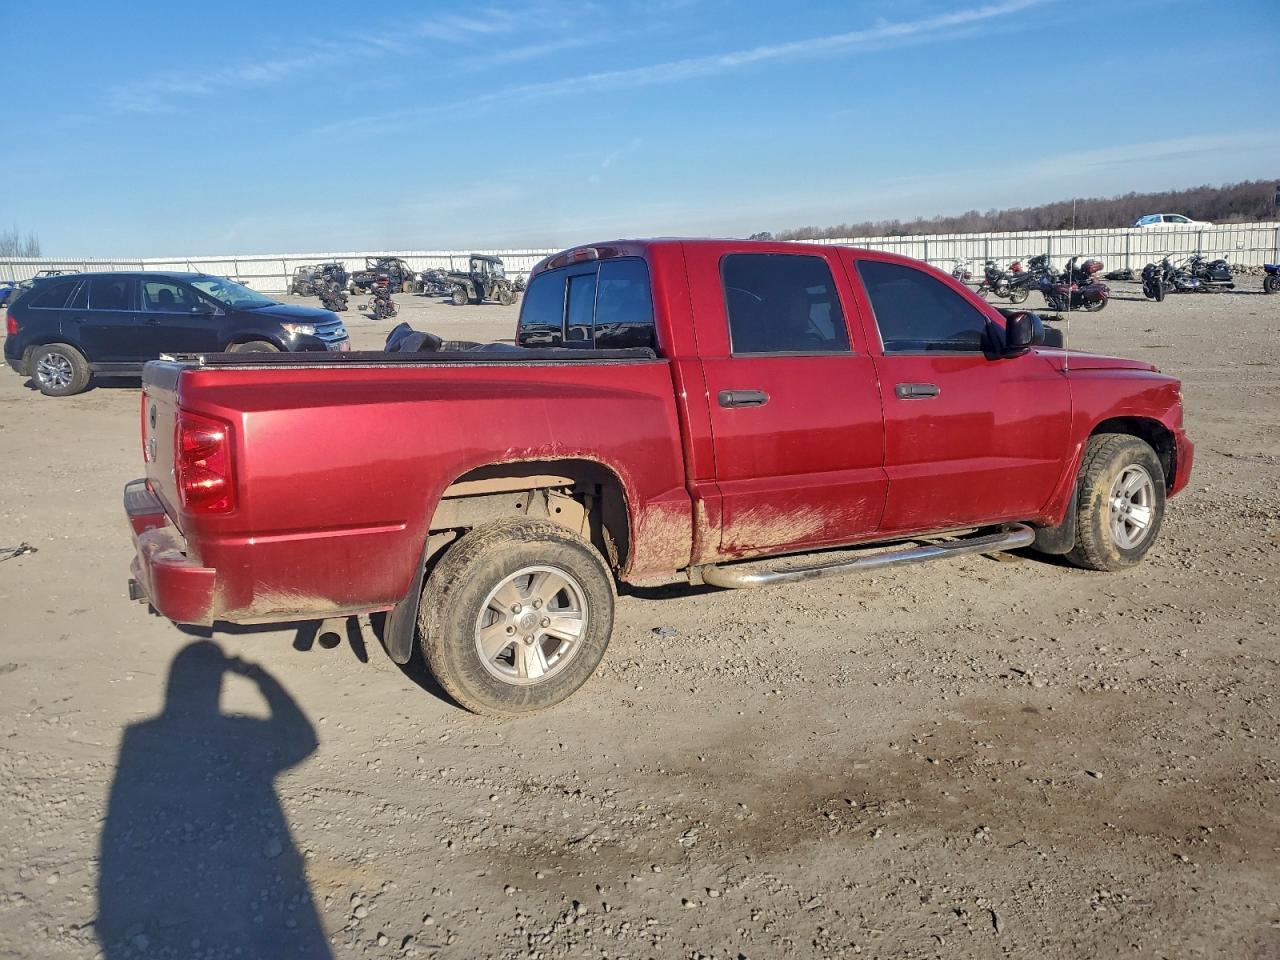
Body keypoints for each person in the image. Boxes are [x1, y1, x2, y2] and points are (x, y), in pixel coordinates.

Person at [97, 641, 330, 958]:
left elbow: (118, 822)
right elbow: (305, 742)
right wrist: (260, 677)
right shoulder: (239, 730)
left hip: (169, 892)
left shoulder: (141, 737)